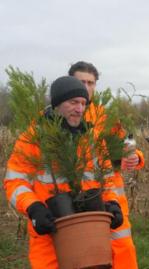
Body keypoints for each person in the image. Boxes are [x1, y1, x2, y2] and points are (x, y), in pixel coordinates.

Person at [3, 76, 123, 269]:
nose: (80, 109)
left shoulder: (92, 139)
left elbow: (107, 178)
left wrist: (113, 204)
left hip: (92, 232)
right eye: (73, 102)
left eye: (83, 103)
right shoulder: (33, 138)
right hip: (50, 230)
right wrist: (33, 208)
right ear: (57, 104)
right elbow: (15, 181)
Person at [68, 61, 143, 269]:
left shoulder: (106, 117)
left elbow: (125, 147)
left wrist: (135, 156)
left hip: (111, 199)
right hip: (73, 201)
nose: (85, 87)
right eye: (80, 81)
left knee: (123, 250)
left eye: (90, 82)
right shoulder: (55, 117)